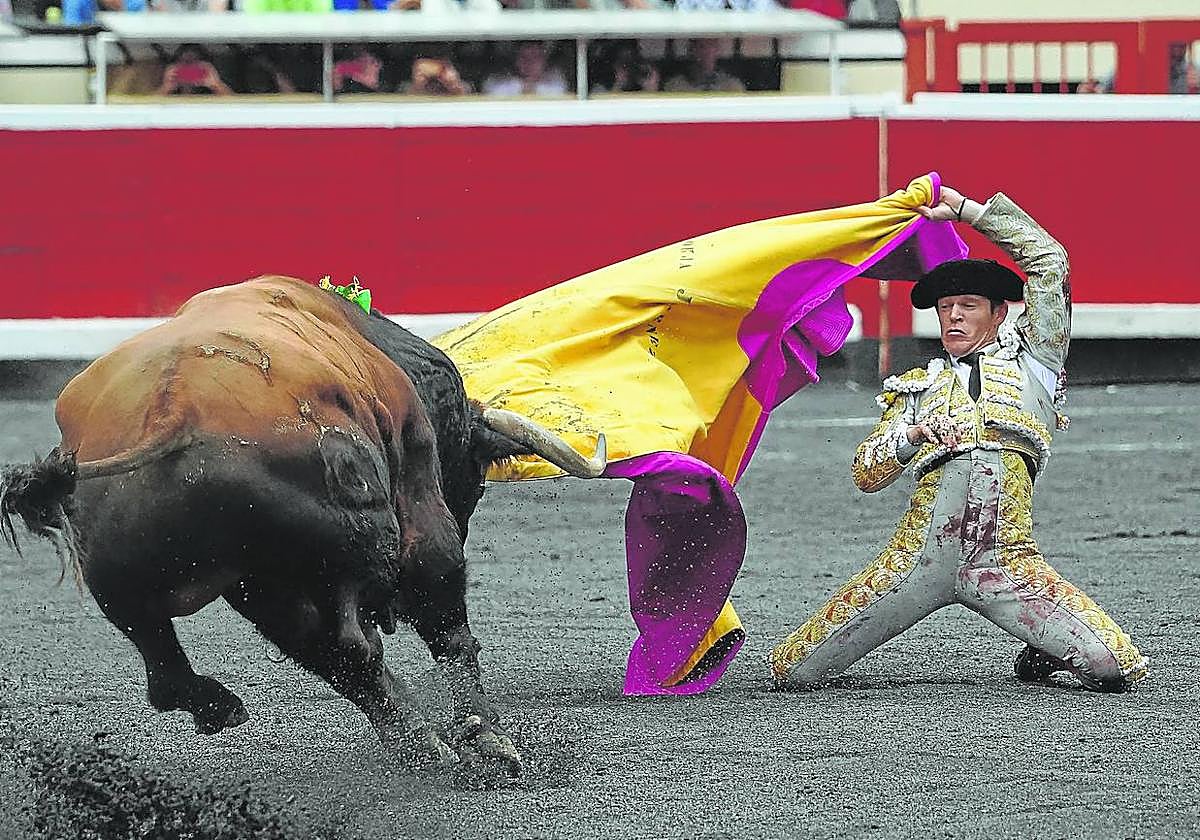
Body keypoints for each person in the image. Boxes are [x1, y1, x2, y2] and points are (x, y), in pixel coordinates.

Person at [769, 186, 1149, 693]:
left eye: (967, 305)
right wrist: (913, 434)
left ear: (999, 314)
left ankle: (1044, 650)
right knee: (794, 670)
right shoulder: (916, 389)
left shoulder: (1035, 360)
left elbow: (1049, 261)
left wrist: (969, 212)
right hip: (915, 561)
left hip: (1006, 561)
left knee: (1113, 667)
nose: (952, 316)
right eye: (945, 307)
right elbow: (866, 472)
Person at [663, 39, 745, 94]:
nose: (707, 52)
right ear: (691, 50)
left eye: (711, 45)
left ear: (717, 49)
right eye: (701, 46)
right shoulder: (675, 86)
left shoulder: (733, 86)